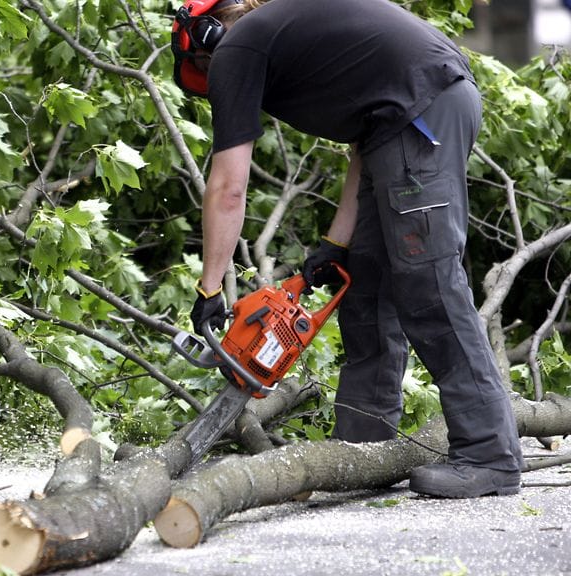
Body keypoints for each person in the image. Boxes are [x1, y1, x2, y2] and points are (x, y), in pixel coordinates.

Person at [175, 0, 523, 498]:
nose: (212, 75)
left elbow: (229, 186)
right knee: (366, 278)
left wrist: (210, 289)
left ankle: (489, 455)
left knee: (428, 284)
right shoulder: (287, 35)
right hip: (406, 118)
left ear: (207, 37)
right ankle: (364, 449)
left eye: (204, 68)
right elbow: (368, 132)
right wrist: (336, 243)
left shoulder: (238, 46)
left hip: (421, 116)